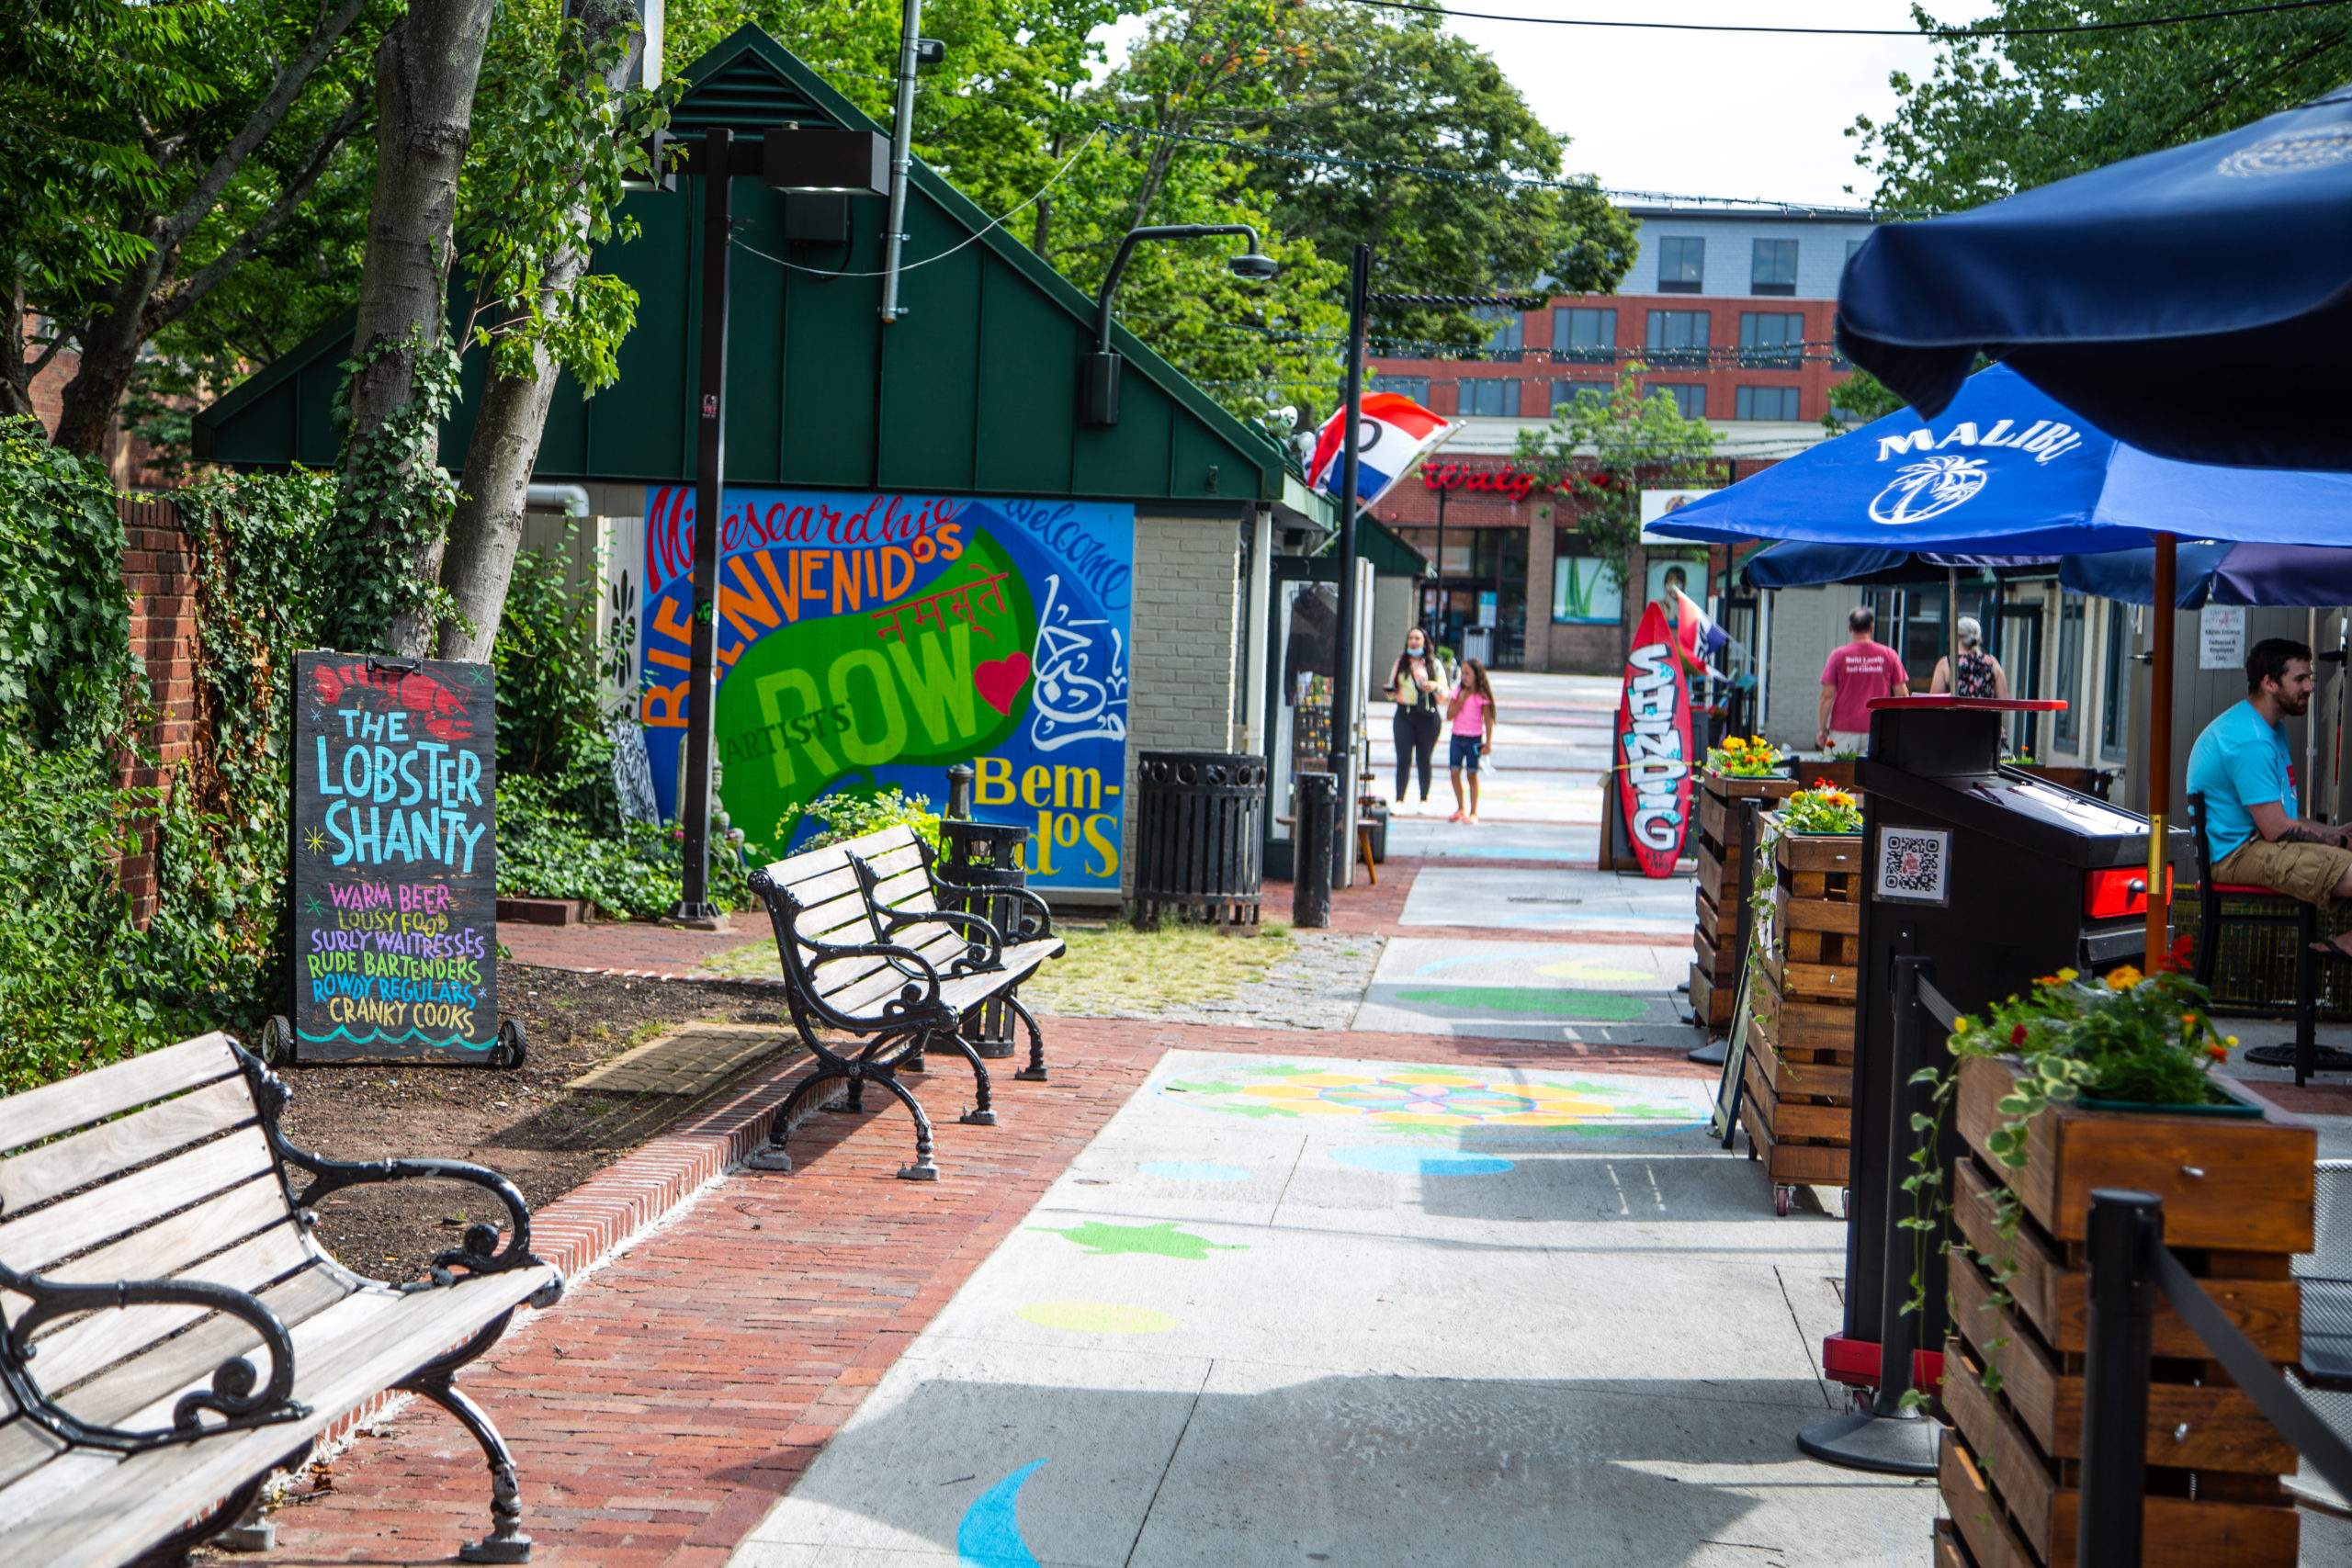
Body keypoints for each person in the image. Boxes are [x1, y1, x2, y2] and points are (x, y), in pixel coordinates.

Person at [2187, 637, 2352, 957]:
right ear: (2270, 683)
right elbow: (2276, 829)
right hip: (2235, 856)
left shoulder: (2270, 729)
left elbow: (2283, 817)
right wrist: (2341, 845)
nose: (2309, 687)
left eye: (2310, 678)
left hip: (2259, 842)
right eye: (2300, 679)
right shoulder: (2250, 740)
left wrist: (2336, 833)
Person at [1817, 605, 1910, 754]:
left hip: (1843, 730)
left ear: (1850, 628)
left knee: (1838, 774)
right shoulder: (1889, 655)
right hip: (1878, 730)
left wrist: (1822, 729)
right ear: (1872, 627)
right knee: (1874, 776)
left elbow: (1826, 696)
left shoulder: (1838, 656)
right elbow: (1902, 695)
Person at [1387, 626, 1448, 812]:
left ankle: (1424, 799)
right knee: (1403, 757)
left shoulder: (1433, 664)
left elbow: (1445, 693)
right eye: (1411, 638)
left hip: (1427, 716)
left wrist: (1434, 686)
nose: (1413, 641)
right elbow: (1392, 687)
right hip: (1404, 714)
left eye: (1417, 638)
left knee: (1424, 758)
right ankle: (1399, 799)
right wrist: (1390, 691)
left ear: (1424, 642)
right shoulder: (1401, 663)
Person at [1446, 659, 1497, 825]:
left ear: (1477, 675)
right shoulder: (1457, 692)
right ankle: (1460, 807)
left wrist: (1488, 743)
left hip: (1474, 739)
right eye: (1463, 673)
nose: (1465, 677)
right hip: (1457, 737)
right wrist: (1460, 701)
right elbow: (1449, 716)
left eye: (1468, 673)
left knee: (1472, 773)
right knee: (1454, 771)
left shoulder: (1482, 696)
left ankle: (1474, 811)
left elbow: (1488, 720)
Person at [1929, 616, 2011, 699]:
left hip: (1956, 712)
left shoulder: (1945, 664)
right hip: (1986, 712)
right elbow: (2004, 700)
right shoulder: (1992, 663)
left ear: (1957, 636)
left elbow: (1934, 701)